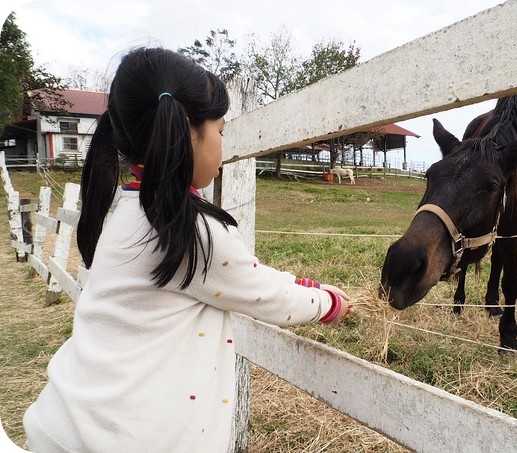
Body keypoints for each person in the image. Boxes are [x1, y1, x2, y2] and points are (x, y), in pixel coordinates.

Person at [22, 47, 354, 453]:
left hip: (70, 421)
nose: (222, 144)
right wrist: (327, 301)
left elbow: (238, 275)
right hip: (128, 440)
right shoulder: (186, 230)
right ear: (186, 130)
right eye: (220, 131)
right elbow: (268, 297)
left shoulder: (129, 213)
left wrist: (298, 279)